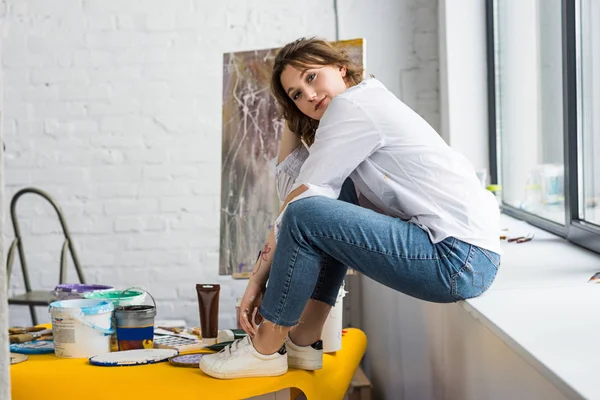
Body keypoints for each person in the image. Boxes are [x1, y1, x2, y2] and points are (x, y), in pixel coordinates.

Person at [200, 37, 501, 379]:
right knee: (334, 195)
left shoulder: (353, 107)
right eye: (296, 94)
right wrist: (291, 116)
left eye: (312, 77)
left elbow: (297, 206)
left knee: (306, 213)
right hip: (469, 257)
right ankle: (303, 343)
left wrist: (255, 282)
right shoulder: (363, 102)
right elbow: (294, 187)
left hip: (454, 258)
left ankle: (264, 348)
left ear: (340, 67)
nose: (309, 95)